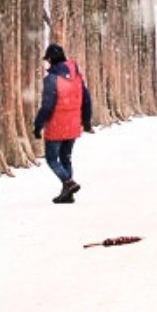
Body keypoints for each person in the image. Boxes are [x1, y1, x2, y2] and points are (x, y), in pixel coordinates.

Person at [32, 43, 93, 204]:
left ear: (50, 59)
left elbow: (46, 106)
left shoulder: (51, 79)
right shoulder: (77, 77)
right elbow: (86, 100)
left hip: (56, 125)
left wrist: (38, 126)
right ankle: (68, 194)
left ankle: (69, 183)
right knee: (65, 158)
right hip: (73, 124)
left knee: (52, 159)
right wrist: (86, 121)